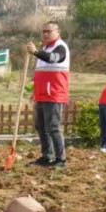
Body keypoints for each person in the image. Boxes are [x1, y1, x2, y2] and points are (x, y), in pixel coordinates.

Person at [30, 22, 71, 168]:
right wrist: (34, 92)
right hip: (41, 94)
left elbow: (54, 58)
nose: (45, 34)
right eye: (43, 31)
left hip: (54, 93)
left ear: (57, 32)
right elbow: (41, 73)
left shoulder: (60, 47)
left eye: (49, 31)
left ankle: (61, 159)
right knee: (40, 126)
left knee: (53, 126)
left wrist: (36, 52)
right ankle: (47, 156)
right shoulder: (45, 48)